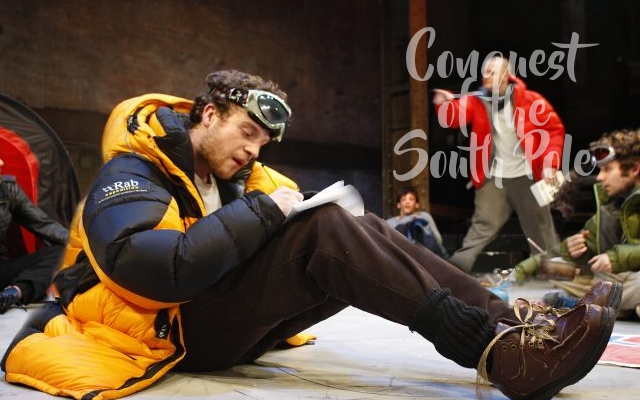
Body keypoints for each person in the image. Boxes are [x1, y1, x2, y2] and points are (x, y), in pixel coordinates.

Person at [1, 70, 619, 400]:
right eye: (246, 132)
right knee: (323, 233)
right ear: (208, 114)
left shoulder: (235, 177)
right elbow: (157, 269)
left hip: (214, 319)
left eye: (263, 142)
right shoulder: (132, 171)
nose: (254, 150)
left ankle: (512, 325)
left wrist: (278, 209)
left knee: (355, 225)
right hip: (171, 331)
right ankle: (497, 355)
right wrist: (267, 213)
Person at [433, 54, 563, 272]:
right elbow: (455, 117)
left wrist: (550, 163)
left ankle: (556, 273)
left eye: (492, 72)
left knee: (541, 229)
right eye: (485, 71)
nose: (486, 75)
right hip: (494, 176)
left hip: (526, 175)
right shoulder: (476, 100)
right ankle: (454, 273)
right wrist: (444, 104)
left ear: (506, 76)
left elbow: (553, 131)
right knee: (482, 226)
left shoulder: (531, 100)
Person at [515, 128, 640, 319]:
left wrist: (616, 259)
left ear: (634, 169)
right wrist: (572, 250)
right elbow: (564, 250)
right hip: (624, 280)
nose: (600, 177)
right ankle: (613, 305)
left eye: (607, 169)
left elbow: (617, 260)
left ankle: (588, 304)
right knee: (560, 270)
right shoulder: (611, 207)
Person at [0, 154, 68, 314]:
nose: (1, 166)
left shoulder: (9, 190)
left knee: (61, 253)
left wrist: (81, 244)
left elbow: (43, 224)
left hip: (2, 267)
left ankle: (13, 293)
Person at [386, 186, 448, 257]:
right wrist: (408, 219)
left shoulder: (424, 216)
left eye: (411, 199)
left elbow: (438, 240)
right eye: (403, 199)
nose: (407, 202)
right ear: (398, 205)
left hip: (427, 255)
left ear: (417, 204)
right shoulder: (390, 223)